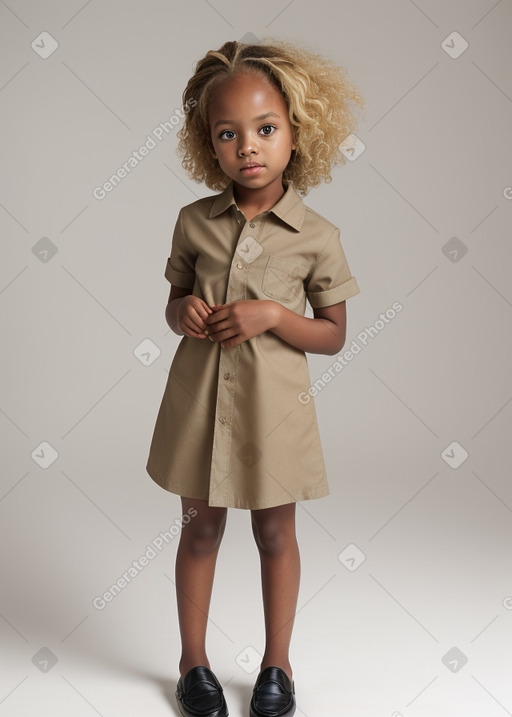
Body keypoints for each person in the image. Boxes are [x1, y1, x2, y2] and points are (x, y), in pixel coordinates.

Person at [145, 37, 365, 717]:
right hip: (200, 400)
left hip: (276, 408)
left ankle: (278, 662)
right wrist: (184, 311)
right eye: (228, 133)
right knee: (199, 529)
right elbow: (173, 299)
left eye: (266, 129)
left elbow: (333, 335)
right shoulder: (193, 223)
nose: (249, 146)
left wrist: (272, 313)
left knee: (275, 533)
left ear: (297, 132)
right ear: (208, 144)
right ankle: (193, 662)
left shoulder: (317, 235)